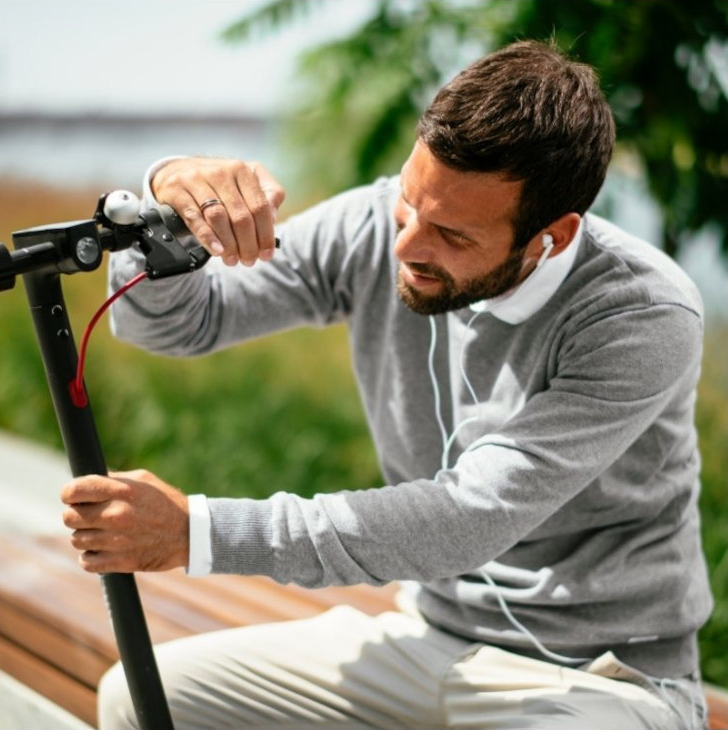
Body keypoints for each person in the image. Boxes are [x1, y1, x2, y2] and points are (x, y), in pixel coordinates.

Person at [60, 40, 712, 729]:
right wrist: (165, 211)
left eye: (452, 235)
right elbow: (175, 324)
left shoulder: (639, 313)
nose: (405, 246)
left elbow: (467, 519)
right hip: (426, 636)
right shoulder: (373, 228)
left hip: (599, 678)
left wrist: (198, 532)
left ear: (551, 236)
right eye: (409, 200)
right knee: (137, 697)